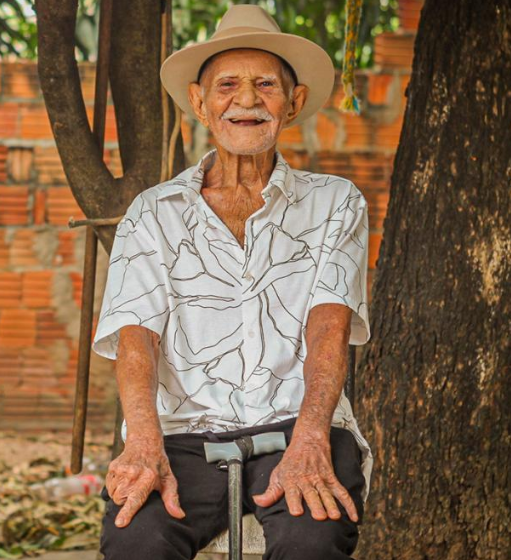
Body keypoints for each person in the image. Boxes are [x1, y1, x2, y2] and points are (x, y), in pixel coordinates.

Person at [90, 5, 373, 560]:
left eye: (265, 84)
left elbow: (328, 328)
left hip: (298, 424)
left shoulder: (336, 203)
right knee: (136, 541)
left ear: (291, 103)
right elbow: (136, 339)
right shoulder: (153, 213)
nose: (246, 100)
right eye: (227, 86)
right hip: (183, 436)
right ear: (200, 102)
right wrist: (144, 442)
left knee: (313, 539)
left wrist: (312, 434)